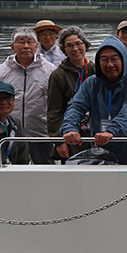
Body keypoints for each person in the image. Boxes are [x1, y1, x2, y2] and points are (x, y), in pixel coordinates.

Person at [61, 36, 127, 164]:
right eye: (104, 60)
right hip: (99, 150)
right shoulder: (91, 83)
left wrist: (112, 131)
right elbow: (76, 106)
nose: (110, 64)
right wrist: (70, 128)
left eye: (114, 59)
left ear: (123, 59)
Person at [0, 27, 57, 165]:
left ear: (36, 46)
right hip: (9, 134)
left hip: (41, 132)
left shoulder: (50, 70)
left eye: (30, 42)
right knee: (11, 171)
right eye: (21, 42)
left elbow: (56, 102)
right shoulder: (1, 70)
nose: (26, 46)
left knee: (45, 171)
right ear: (12, 47)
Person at [47, 26, 95, 160]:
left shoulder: (96, 70)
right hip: (71, 134)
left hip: (95, 132)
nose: (75, 49)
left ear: (85, 44)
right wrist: (59, 141)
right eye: (69, 45)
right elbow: (54, 111)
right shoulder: (58, 75)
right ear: (64, 50)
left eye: (78, 43)